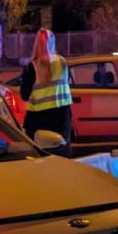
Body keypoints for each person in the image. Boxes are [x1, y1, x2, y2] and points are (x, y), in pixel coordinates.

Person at [19, 28, 74, 157]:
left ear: (36, 44)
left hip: (38, 120)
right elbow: (67, 81)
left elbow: (24, 95)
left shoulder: (31, 67)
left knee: (39, 156)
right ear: (52, 43)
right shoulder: (62, 63)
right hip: (62, 117)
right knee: (62, 154)